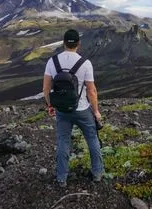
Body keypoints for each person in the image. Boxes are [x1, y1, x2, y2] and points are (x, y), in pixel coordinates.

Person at [43, 29, 104, 187]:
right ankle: (97, 173)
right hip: (82, 109)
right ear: (78, 44)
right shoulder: (85, 63)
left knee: (63, 141)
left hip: (62, 110)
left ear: (64, 43)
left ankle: (62, 178)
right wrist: (96, 111)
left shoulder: (52, 61)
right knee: (92, 139)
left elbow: (45, 89)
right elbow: (91, 90)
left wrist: (51, 104)